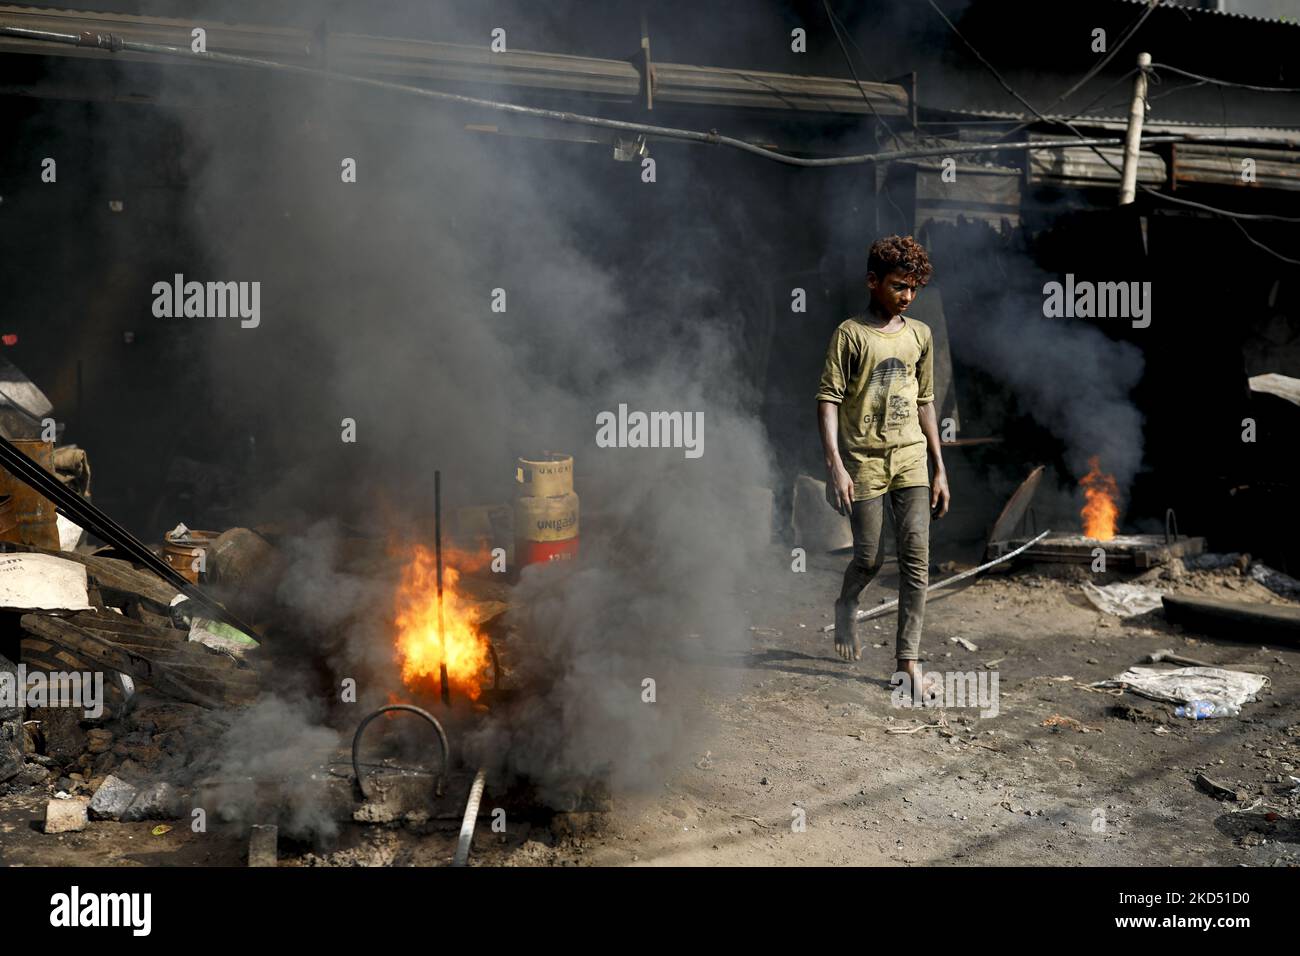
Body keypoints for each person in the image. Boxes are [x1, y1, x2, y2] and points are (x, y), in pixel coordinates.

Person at [815, 235, 950, 694]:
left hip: (910, 457)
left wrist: (939, 466)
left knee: (917, 564)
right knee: (869, 557)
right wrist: (835, 463)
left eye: (914, 289)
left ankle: (906, 664)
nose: (907, 297)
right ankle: (847, 603)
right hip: (864, 462)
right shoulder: (850, 335)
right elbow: (829, 400)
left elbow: (925, 402)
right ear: (873, 281)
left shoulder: (920, 336)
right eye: (898, 286)